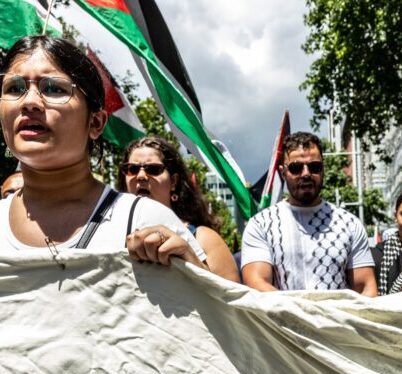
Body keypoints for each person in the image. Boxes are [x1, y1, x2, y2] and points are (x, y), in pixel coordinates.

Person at [0, 35, 206, 269]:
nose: (30, 102)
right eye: (14, 88)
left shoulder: (144, 222)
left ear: (96, 123)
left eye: (54, 88)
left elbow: (213, 305)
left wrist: (192, 271)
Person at [241, 131, 377, 295]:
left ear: (323, 169)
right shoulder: (261, 224)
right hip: (283, 320)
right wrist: (307, 314)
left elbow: (366, 288)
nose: (306, 173)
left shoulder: (349, 224)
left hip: (337, 320)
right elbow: (257, 284)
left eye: (314, 167)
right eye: (296, 168)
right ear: (283, 172)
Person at [118, 136, 240, 281]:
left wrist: (191, 259)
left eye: (153, 169)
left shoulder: (203, 239)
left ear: (174, 182)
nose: (141, 176)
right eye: (132, 169)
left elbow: (232, 302)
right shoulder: (109, 232)